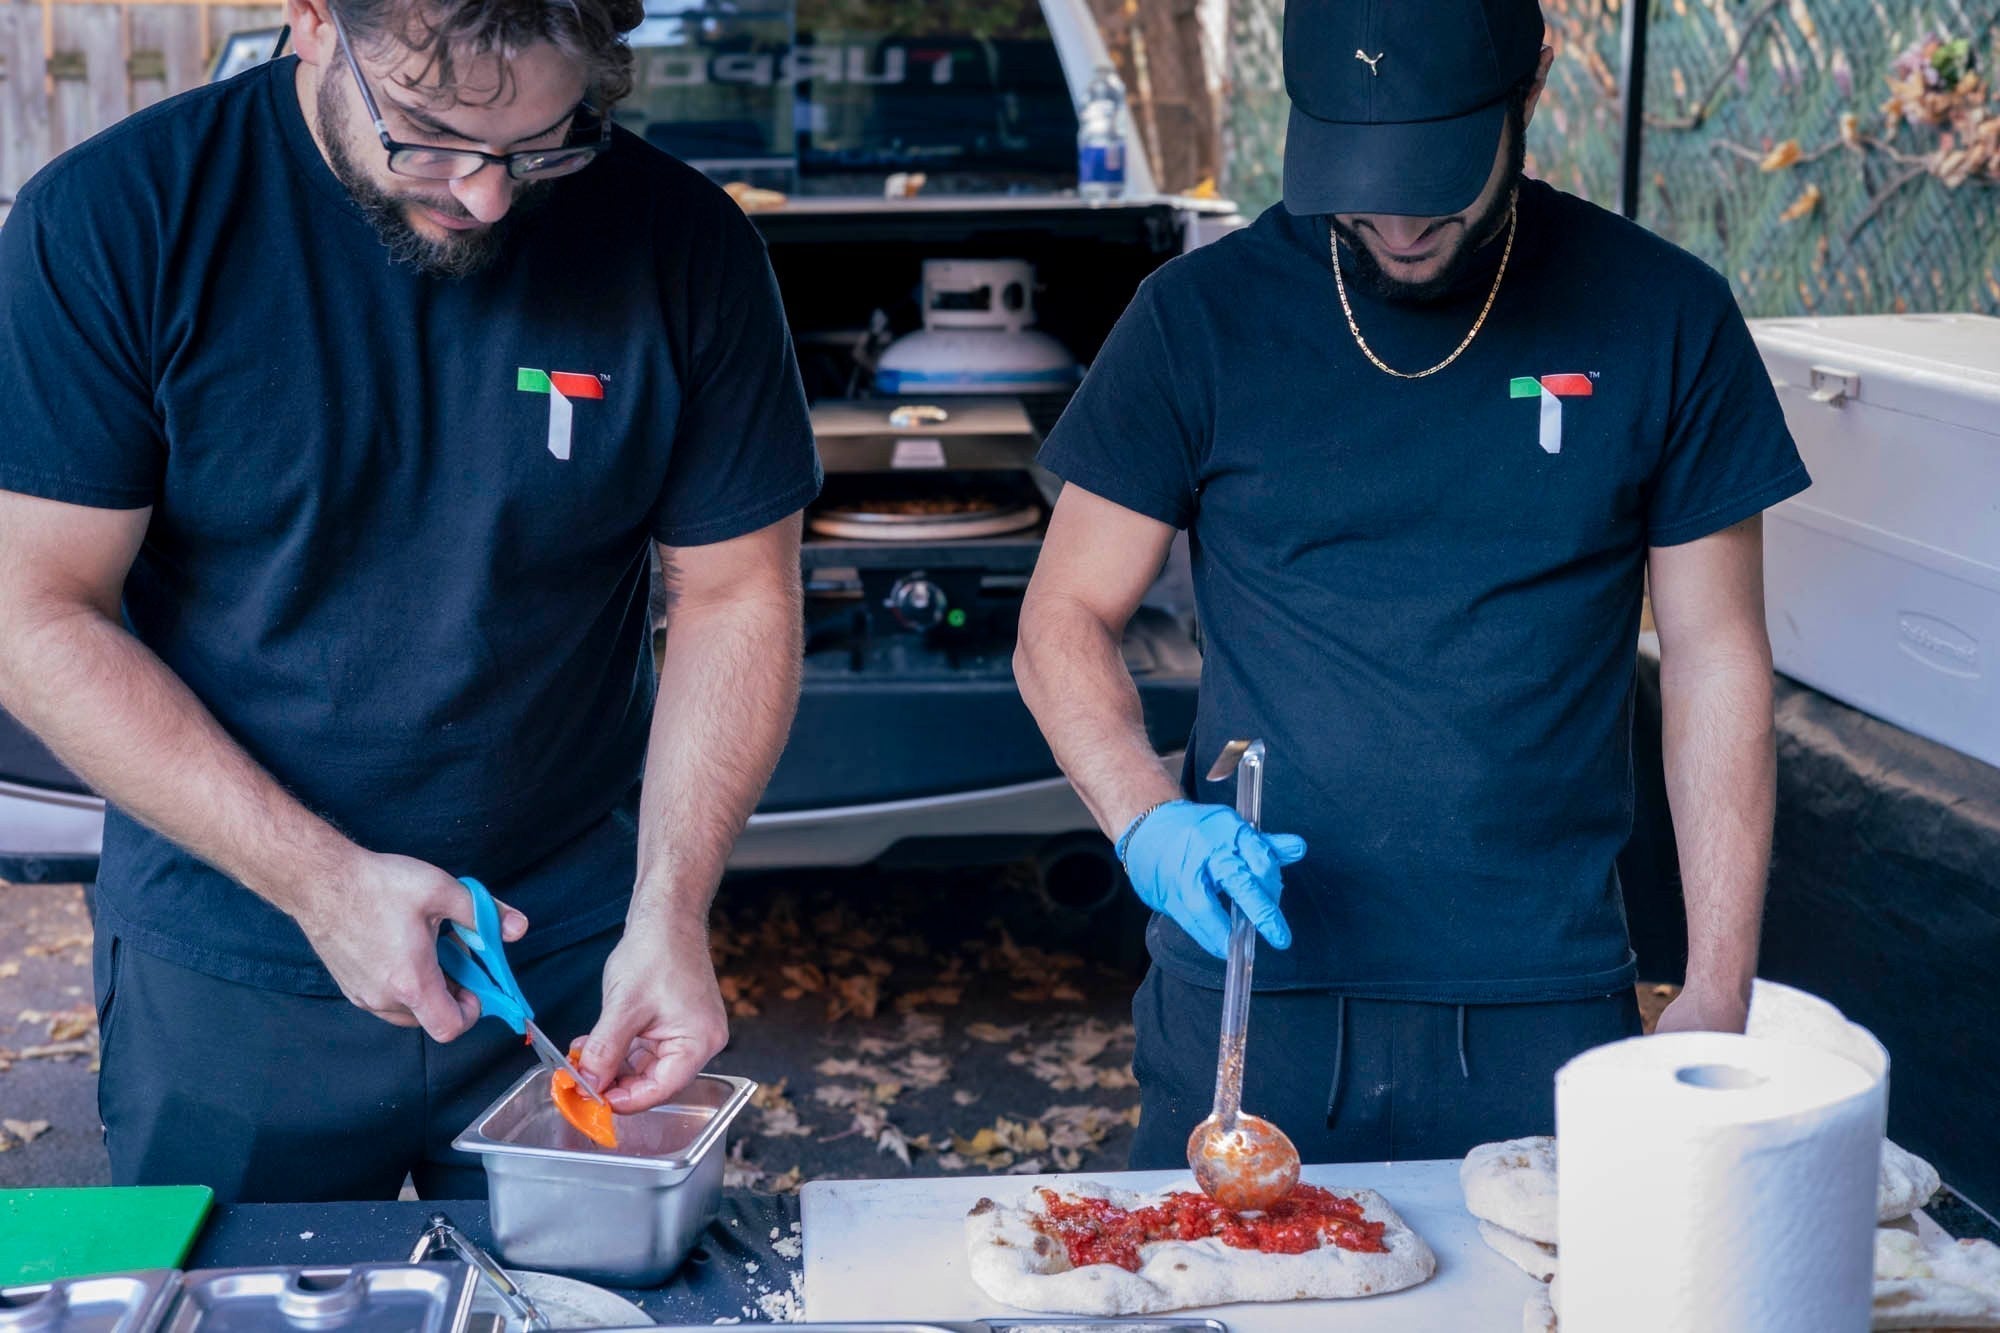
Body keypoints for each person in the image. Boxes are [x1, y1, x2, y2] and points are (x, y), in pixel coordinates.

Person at [0, 0, 820, 1200]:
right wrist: (324, 885)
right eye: (430, 133)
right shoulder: (120, 220)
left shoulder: (682, 242)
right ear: (312, 20)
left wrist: (672, 909)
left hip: (570, 959)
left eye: (542, 142)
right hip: (235, 954)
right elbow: (35, 611)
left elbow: (737, 592)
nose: (486, 195)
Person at [1015, 0, 1807, 1168]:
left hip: (1541, 1001)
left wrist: (1716, 981)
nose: (1392, 223)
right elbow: (1060, 619)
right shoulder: (1196, 320)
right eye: (1356, 176)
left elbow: (1713, 656)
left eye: (1431, 179)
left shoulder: (1664, 316)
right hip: (1248, 992)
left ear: (1525, 94)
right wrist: (1144, 818)